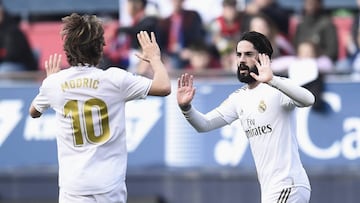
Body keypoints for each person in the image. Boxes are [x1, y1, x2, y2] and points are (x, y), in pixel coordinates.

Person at [29, 13, 171, 203]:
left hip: (74, 187)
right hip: (109, 185)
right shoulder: (115, 79)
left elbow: (34, 111)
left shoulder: (54, 84)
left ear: (67, 48)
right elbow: (164, 87)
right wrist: (154, 59)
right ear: (100, 47)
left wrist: (50, 81)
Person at [177, 31, 314, 203]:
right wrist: (186, 108)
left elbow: (308, 99)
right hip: (270, 190)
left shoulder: (276, 88)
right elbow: (204, 124)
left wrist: (272, 80)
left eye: (248, 54)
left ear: (264, 58)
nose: (241, 60)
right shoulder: (239, 98)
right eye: (238, 54)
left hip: (289, 185)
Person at [156, 0, 206, 69]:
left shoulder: (192, 16)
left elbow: (198, 36)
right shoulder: (165, 22)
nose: (177, 2)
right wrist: (164, 56)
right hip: (169, 55)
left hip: (188, 53)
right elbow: (160, 43)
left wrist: (190, 50)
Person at [0, 1, 38, 72]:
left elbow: (10, 55)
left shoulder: (12, 30)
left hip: (21, 65)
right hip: (5, 63)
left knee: (4, 70)